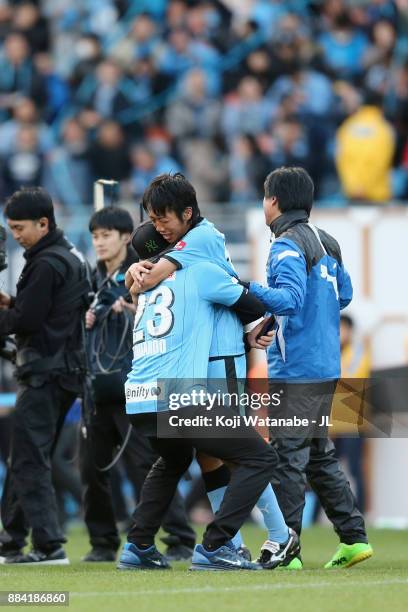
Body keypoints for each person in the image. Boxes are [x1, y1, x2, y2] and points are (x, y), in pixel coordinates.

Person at [121, 174, 298, 570]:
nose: (162, 229)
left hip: (141, 395)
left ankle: (137, 547)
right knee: (256, 457)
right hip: (190, 386)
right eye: (155, 222)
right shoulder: (202, 265)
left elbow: (141, 277)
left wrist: (133, 274)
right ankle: (244, 542)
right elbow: (250, 301)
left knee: (181, 460)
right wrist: (258, 329)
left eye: (162, 219)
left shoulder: (155, 281)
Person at [244, 166, 373, 569]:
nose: (263, 204)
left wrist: (245, 289)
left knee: (287, 459)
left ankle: (286, 550)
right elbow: (344, 295)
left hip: (296, 370)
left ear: (275, 202)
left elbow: (290, 299)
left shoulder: (284, 245)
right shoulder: (327, 240)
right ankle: (353, 539)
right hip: (325, 366)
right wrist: (276, 322)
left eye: (265, 197)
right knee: (318, 456)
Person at [81, 206, 195, 562]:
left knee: (148, 465)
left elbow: (164, 319)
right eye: (95, 236)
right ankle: (102, 543)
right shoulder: (94, 278)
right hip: (99, 387)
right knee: (91, 468)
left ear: (125, 238)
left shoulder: (143, 271)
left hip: (136, 385)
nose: (99, 243)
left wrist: (129, 308)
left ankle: (180, 536)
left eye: (106, 235)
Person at [0, 187, 90, 565]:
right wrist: (14, 306)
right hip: (66, 371)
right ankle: (11, 540)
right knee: (27, 454)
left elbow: (28, 322)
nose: (15, 235)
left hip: (44, 373)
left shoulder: (43, 264)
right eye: (11, 229)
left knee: (27, 460)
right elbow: (49, 315)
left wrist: (10, 314)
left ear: (43, 223)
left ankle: (49, 545)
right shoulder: (69, 256)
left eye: (20, 228)